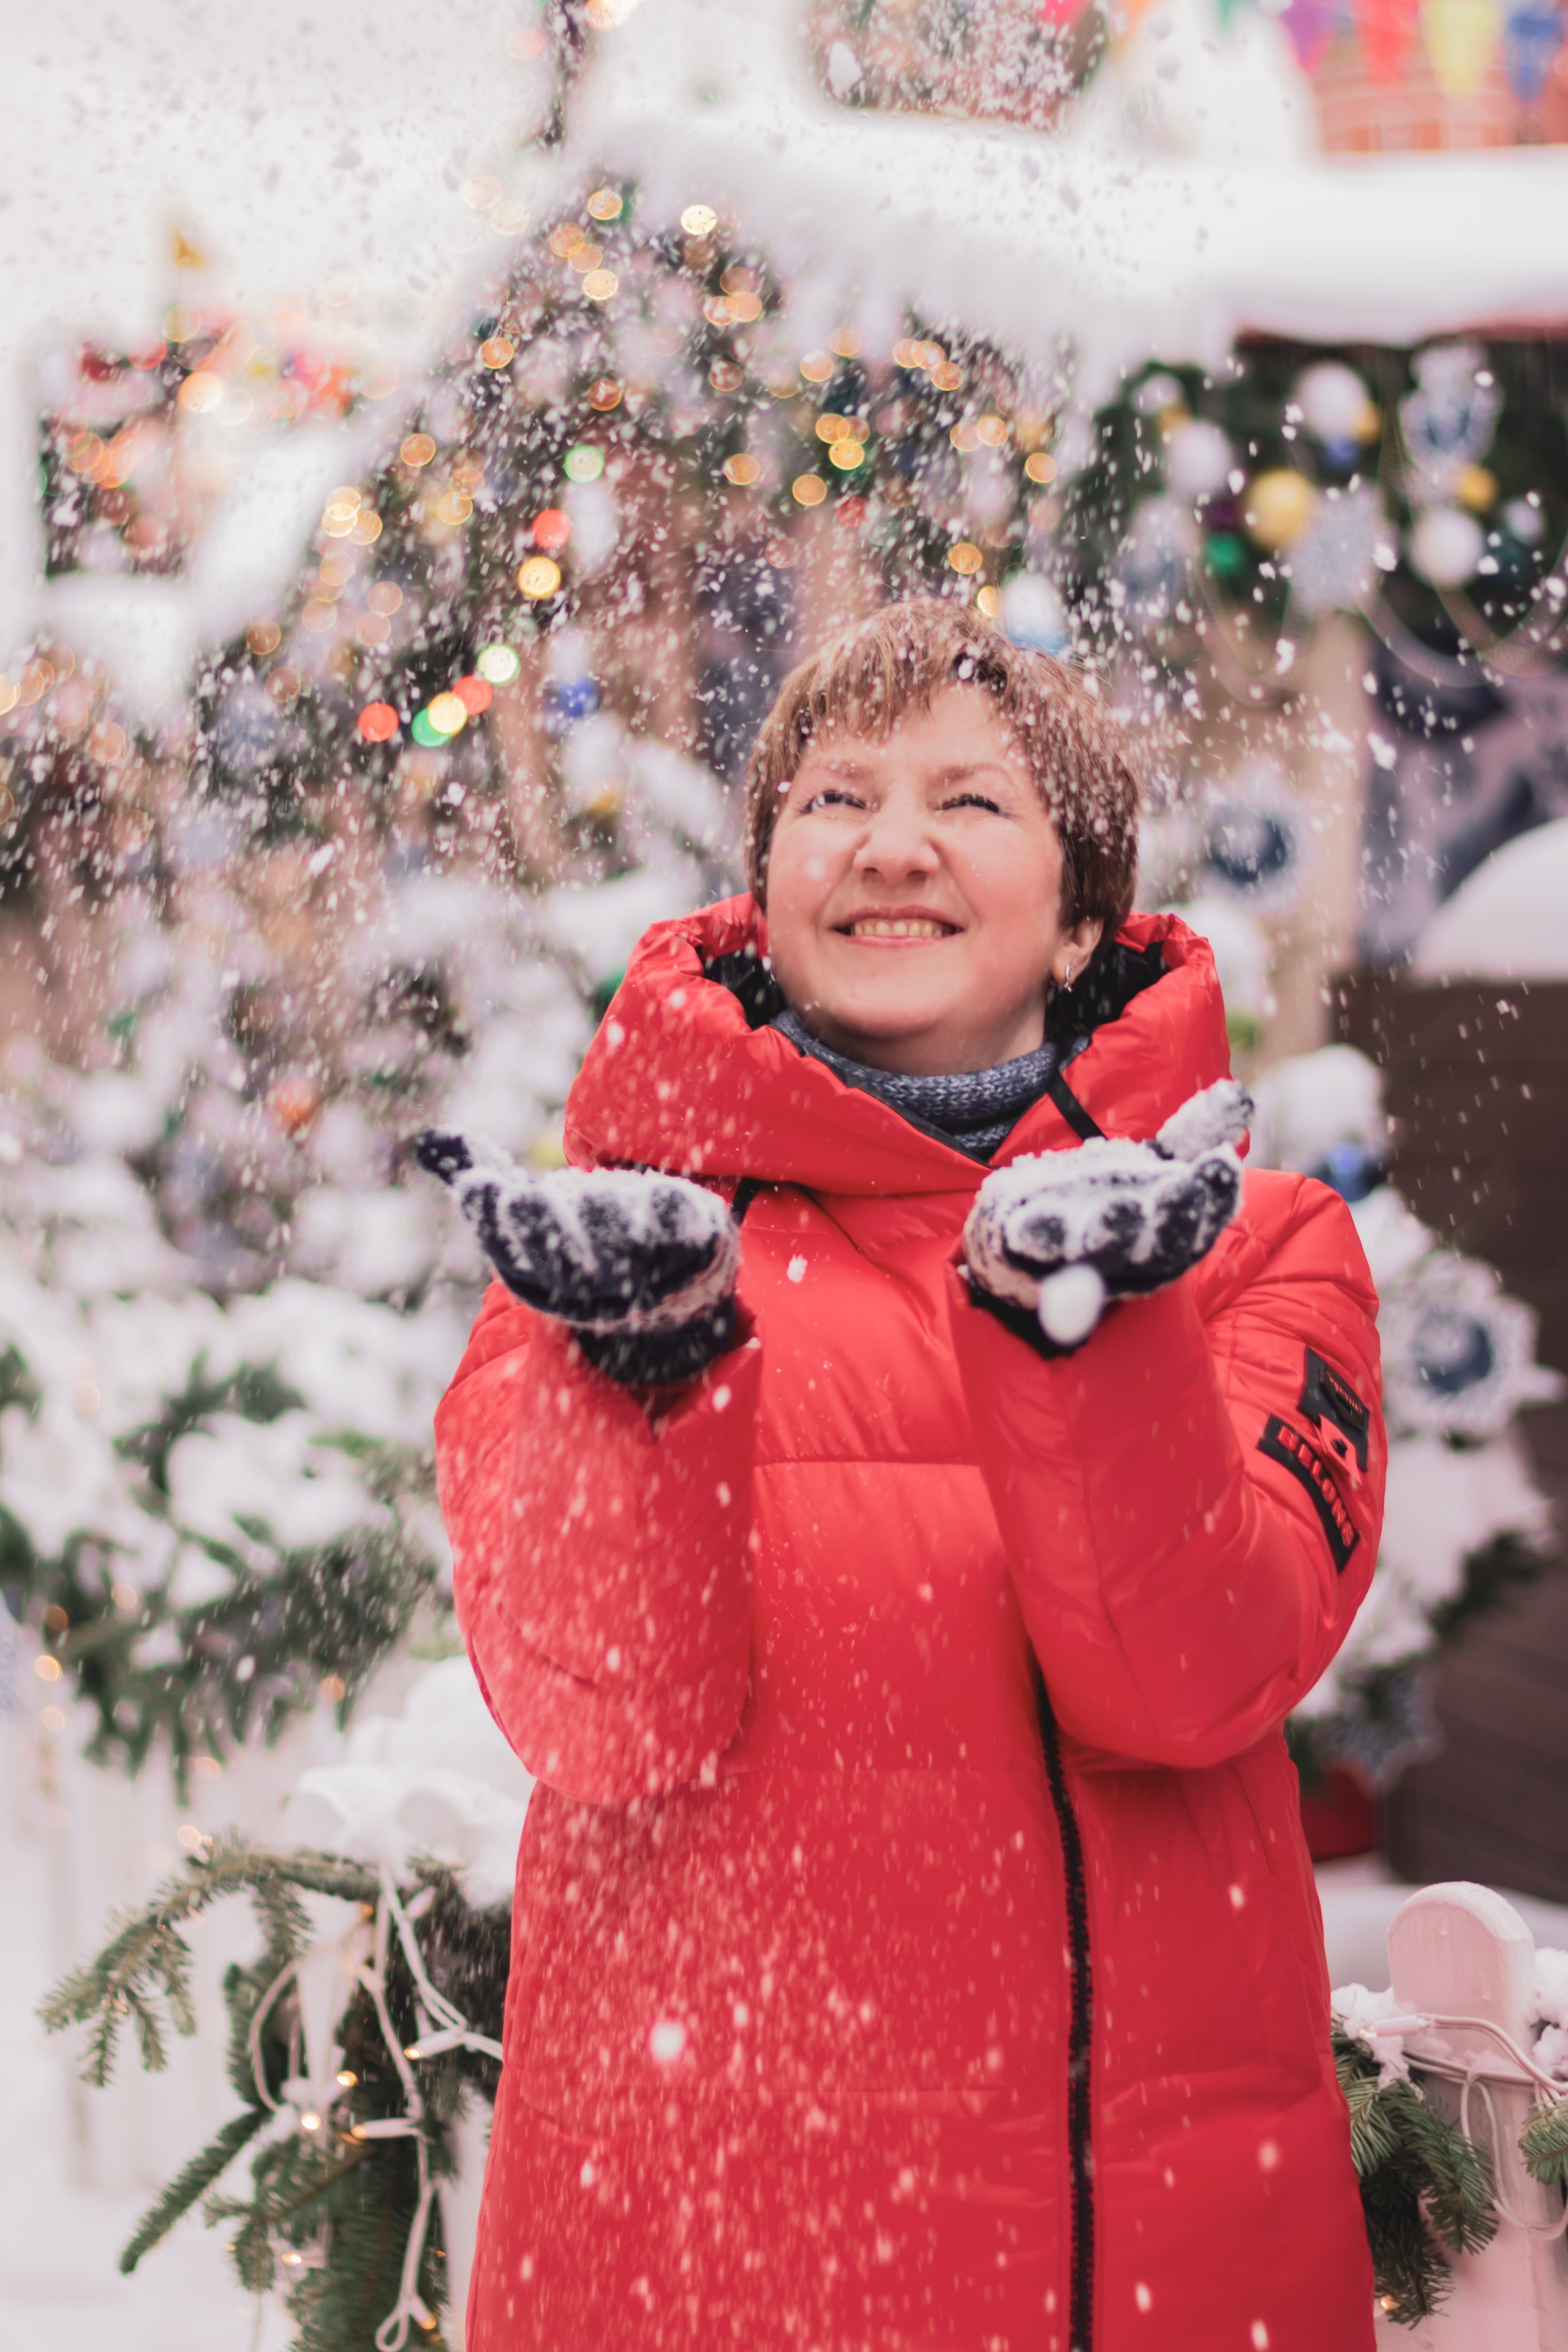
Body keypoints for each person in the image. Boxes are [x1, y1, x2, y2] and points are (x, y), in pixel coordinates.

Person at [423, 597, 1385, 2352]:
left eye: (972, 801)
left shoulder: (1255, 1251)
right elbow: (598, 1716)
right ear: (765, 887)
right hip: (694, 2233)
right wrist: (644, 1365)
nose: (889, 848)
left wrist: (1084, 1324)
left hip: (1134, 2250)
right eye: (835, 799)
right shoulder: (615, 1253)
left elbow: (1194, 1679)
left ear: (1085, 913)